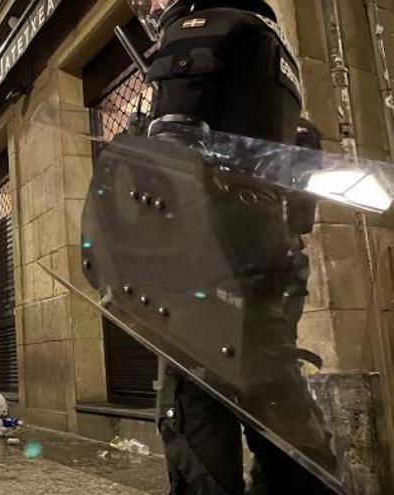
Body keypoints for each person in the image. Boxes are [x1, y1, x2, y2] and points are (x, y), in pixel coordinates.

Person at [137, 1, 335, 493]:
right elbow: (301, 184)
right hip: (271, 250)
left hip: (207, 252)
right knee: (276, 398)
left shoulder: (199, 29)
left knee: (195, 404)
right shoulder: (272, 46)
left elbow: (168, 152)